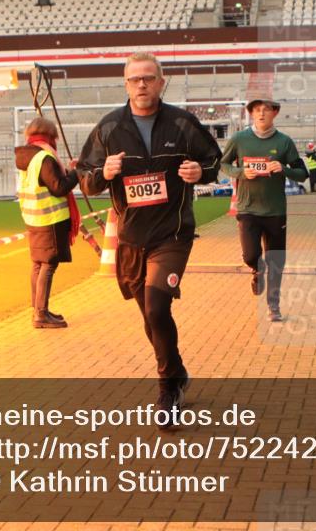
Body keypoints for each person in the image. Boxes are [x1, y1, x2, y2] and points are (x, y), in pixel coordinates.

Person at [77, 51, 221, 427]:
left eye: (148, 78)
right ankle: (177, 370)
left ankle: (167, 389)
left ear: (161, 81)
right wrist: (102, 173)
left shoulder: (182, 123)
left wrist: (198, 172)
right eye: (134, 79)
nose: (142, 84)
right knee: (149, 315)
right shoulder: (109, 128)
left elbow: (213, 160)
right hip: (131, 239)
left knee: (157, 307)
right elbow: (86, 175)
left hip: (172, 235)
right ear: (126, 84)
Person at [221, 99, 308, 322]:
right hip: (247, 208)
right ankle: (256, 270)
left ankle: (273, 305)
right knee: (251, 255)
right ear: (251, 114)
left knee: (276, 261)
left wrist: (284, 169)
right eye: (256, 110)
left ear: (274, 113)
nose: (260, 114)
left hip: (275, 211)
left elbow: (302, 173)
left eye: (265, 110)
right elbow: (223, 164)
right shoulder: (239, 139)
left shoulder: (284, 142)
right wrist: (241, 172)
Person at [16, 117, 80, 329]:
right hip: (50, 220)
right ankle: (41, 314)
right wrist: (76, 174)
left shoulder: (28, 156)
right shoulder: (45, 157)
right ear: (50, 135)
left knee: (37, 264)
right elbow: (59, 187)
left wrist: (67, 172)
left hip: (34, 218)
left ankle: (38, 309)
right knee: (48, 264)